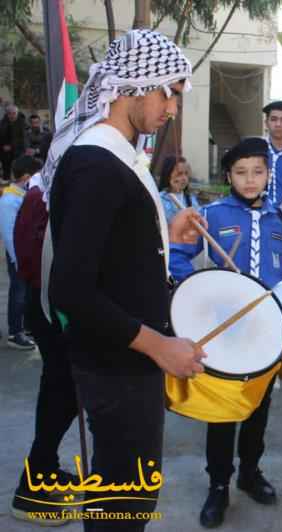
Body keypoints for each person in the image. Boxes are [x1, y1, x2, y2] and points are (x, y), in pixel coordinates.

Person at [41, 29, 206, 532]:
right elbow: (69, 290)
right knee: (122, 507)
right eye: (168, 93)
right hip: (117, 366)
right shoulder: (97, 163)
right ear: (135, 85)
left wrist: (162, 232)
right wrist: (159, 346)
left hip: (126, 360)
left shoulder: (118, 153)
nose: (173, 107)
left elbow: (111, 244)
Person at [170, 137, 282, 528]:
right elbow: (178, 254)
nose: (250, 180)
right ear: (228, 175)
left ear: (268, 175)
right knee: (222, 413)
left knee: (259, 410)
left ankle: (249, 472)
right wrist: (197, 291)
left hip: (268, 333)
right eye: (241, 172)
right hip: (224, 335)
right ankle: (217, 486)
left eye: (258, 172)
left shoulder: (280, 218)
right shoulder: (209, 215)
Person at [10, 133, 81, 526]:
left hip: (51, 309)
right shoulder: (44, 196)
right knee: (62, 396)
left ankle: (45, 467)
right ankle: (31, 489)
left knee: (57, 394)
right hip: (53, 311)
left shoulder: (44, 190)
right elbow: (38, 261)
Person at [0, 154, 39, 349]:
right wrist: (17, 259)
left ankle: (25, 326)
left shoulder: (20, 195)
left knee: (25, 292)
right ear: (25, 177)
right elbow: (8, 234)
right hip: (17, 255)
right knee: (18, 292)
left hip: (23, 254)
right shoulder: (9, 199)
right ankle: (15, 332)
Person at [159, 155, 200, 223]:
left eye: (186, 174)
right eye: (179, 174)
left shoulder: (191, 198)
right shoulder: (159, 199)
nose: (184, 178)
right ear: (168, 174)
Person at [0, 104, 27, 181]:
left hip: (18, 150)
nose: (12, 115)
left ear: (17, 113)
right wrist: (3, 146)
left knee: (19, 171)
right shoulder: (2, 123)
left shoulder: (22, 123)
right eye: (9, 113)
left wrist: (11, 146)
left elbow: (22, 139)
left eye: (14, 113)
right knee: (6, 172)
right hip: (5, 152)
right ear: (7, 114)